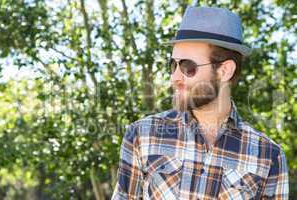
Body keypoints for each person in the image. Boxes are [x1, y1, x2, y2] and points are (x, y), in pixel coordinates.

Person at [111, 6, 289, 200]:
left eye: (188, 67)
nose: (175, 77)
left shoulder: (269, 156)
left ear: (224, 71)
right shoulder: (141, 135)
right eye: (173, 65)